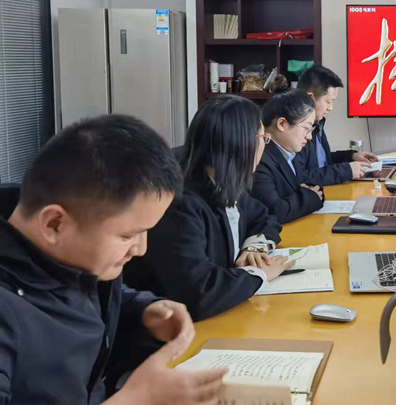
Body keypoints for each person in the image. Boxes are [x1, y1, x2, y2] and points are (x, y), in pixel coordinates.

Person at [0, 114, 227, 404]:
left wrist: (144, 311)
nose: (140, 249)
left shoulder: (72, 259)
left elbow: (81, 301)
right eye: (128, 235)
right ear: (54, 224)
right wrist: (136, 399)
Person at [124, 95, 289, 323]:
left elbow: (264, 217)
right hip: (173, 328)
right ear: (243, 143)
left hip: (221, 316)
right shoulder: (180, 204)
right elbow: (198, 293)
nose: (264, 146)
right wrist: (258, 274)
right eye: (264, 138)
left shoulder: (223, 182)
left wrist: (253, 249)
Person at [293, 65, 377, 185]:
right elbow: (301, 177)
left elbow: (322, 161)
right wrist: (346, 170)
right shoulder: (297, 130)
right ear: (310, 98)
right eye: (328, 101)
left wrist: (351, 156)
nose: (330, 108)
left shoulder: (318, 123)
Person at [252, 90, 325, 223]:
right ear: (282, 124)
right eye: (306, 128)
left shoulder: (290, 153)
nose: (309, 137)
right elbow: (276, 211)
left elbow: (309, 185)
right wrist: (311, 197)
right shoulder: (259, 159)